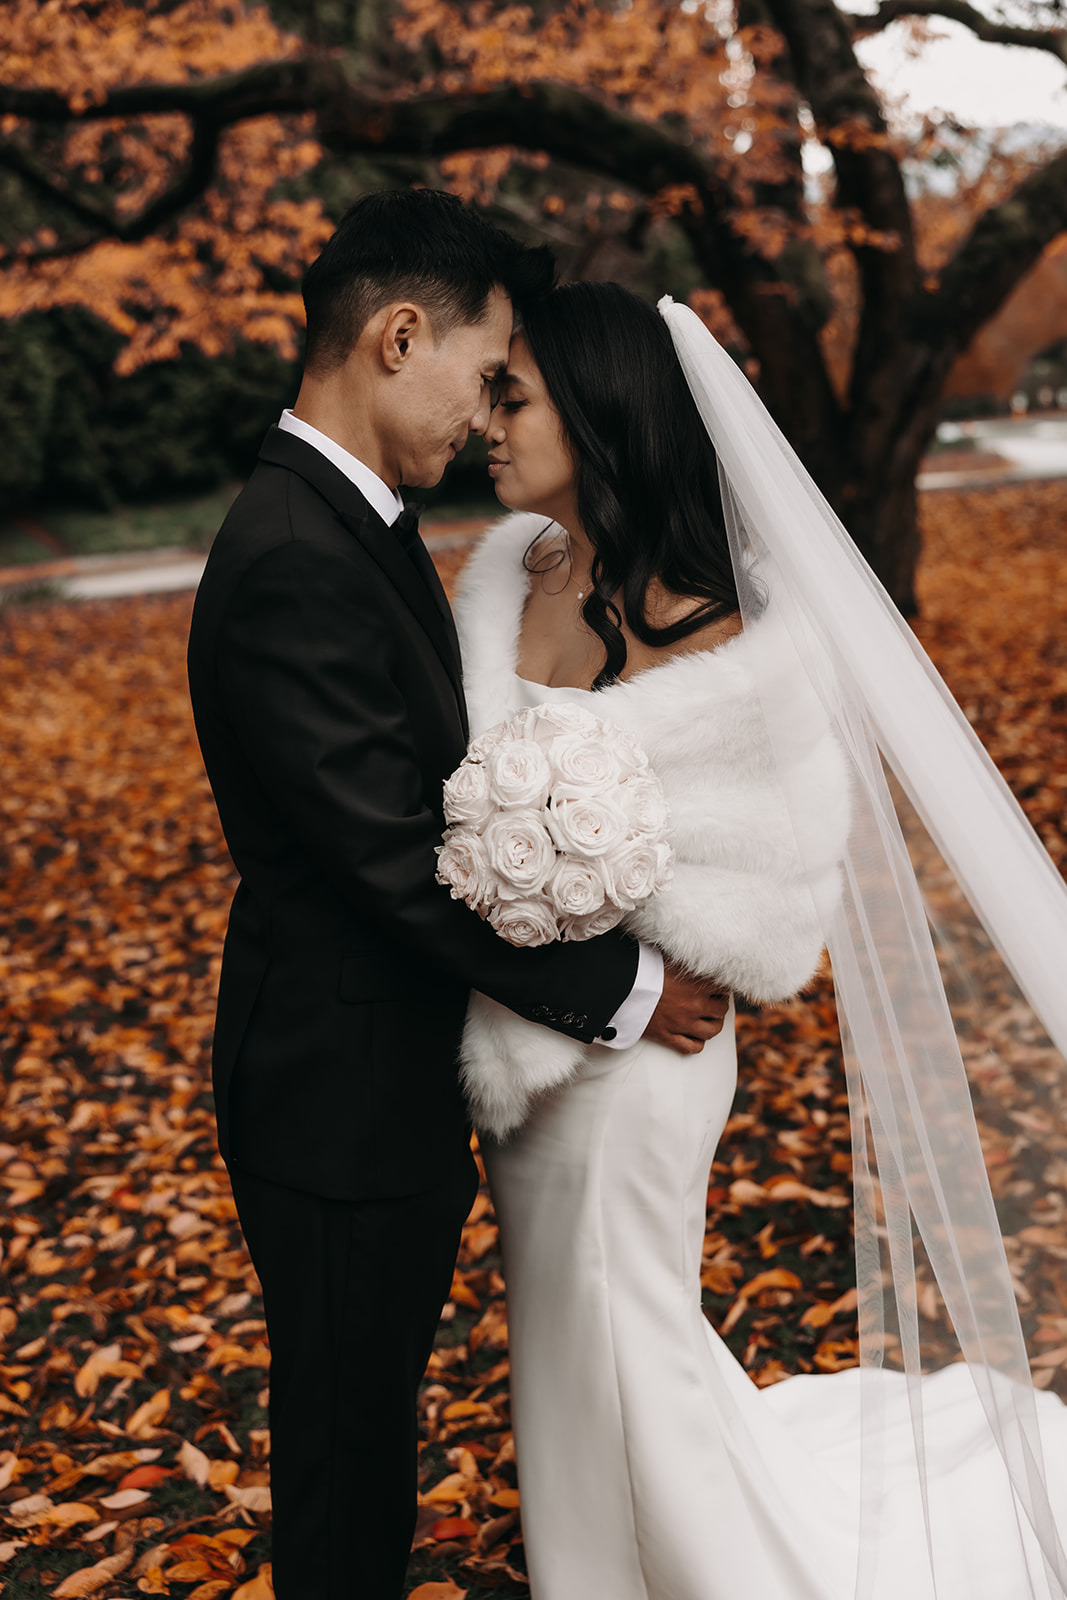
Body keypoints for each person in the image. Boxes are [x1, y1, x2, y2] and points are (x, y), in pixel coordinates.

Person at [452, 280, 1067, 1598]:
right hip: (526, 1041)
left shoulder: (739, 633)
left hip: (646, 1055)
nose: (485, 423)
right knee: (566, 1338)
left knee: (631, 1333)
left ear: (602, 408)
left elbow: (784, 861)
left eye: (515, 396)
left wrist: (647, 953)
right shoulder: (505, 576)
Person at [185, 195, 726, 1599]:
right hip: (334, 1089)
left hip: (381, 1072)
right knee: (345, 1463)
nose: (488, 414)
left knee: (367, 1439)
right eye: (485, 375)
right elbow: (387, 858)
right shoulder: (295, 555)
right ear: (397, 337)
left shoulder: (355, 523)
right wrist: (624, 988)